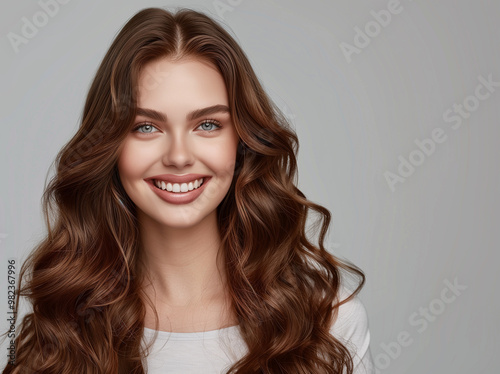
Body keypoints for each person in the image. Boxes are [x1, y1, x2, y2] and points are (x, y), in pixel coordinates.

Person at [2, 7, 375, 374]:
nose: (179, 157)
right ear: (110, 145)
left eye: (208, 124)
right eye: (146, 127)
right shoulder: (62, 325)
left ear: (242, 141)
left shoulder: (329, 322)